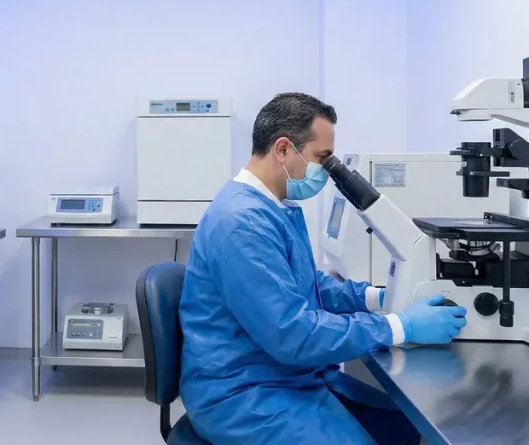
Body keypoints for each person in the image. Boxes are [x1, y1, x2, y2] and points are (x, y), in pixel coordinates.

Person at [179, 93, 468, 445]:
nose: (325, 173)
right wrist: (399, 326)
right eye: (321, 160)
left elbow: (305, 284)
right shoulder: (242, 224)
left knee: (405, 429)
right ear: (283, 149)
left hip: (284, 376)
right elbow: (292, 333)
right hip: (244, 394)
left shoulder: (268, 208)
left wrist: (376, 297)